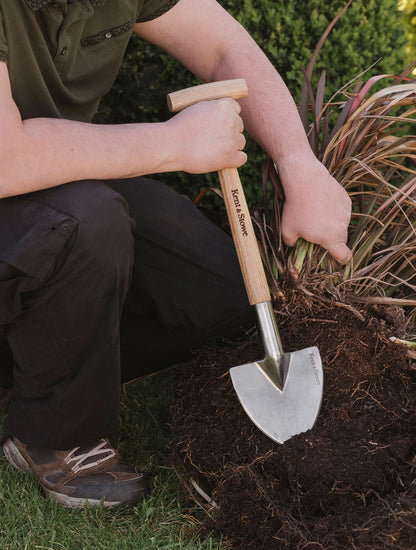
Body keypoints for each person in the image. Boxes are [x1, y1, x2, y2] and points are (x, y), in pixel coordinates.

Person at [0, 0, 352, 509]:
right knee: (85, 223)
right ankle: (56, 434)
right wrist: (175, 144)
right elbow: (7, 158)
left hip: (54, 184)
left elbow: (221, 45)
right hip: (22, 177)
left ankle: (31, 360)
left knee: (223, 295)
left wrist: (298, 162)